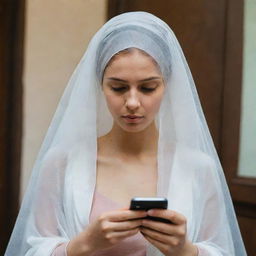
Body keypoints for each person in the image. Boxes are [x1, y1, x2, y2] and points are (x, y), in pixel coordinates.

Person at [5, 11, 247, 256]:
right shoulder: (61, 163)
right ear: (100, 85)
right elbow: (32, 249)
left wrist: (186, 251)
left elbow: (222, 249)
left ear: (167, 85)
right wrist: (84, 244)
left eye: (148, 87)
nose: (132, 102)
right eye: (118, 87)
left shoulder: (198, 168)